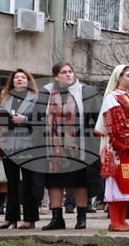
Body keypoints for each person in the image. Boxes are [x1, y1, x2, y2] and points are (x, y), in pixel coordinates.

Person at [38, 62, 101, 231]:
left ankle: (81, 218)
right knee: (54, 182)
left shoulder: (85, 91)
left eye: (70, 71)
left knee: (79, 182)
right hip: (53, 147)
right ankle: (57, 218)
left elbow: (96, 117)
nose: (68, 74)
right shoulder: (46, 92)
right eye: (64, 72)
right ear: (56, 76)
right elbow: (38, 116)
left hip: (78, 145)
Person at [94, 65, 129, 232]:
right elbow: (115, 125)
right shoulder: (111, 97)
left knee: (128, 184)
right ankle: (114, 222)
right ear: (119, 77)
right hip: (118, 147)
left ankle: (123, 220)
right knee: (116, 183)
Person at [0, 68, 41, 230]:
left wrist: (25, 119)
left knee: (28, 182)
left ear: (28, 81)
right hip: (8, 143)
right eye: (16, 77)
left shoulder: (36, 98)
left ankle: (30, 218)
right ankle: (10, 218)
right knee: (11, 183)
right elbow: (1, 122)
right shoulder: (7, 98)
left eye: (23, 77)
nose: (19, 79)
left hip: (27, 143)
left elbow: (42, 119)